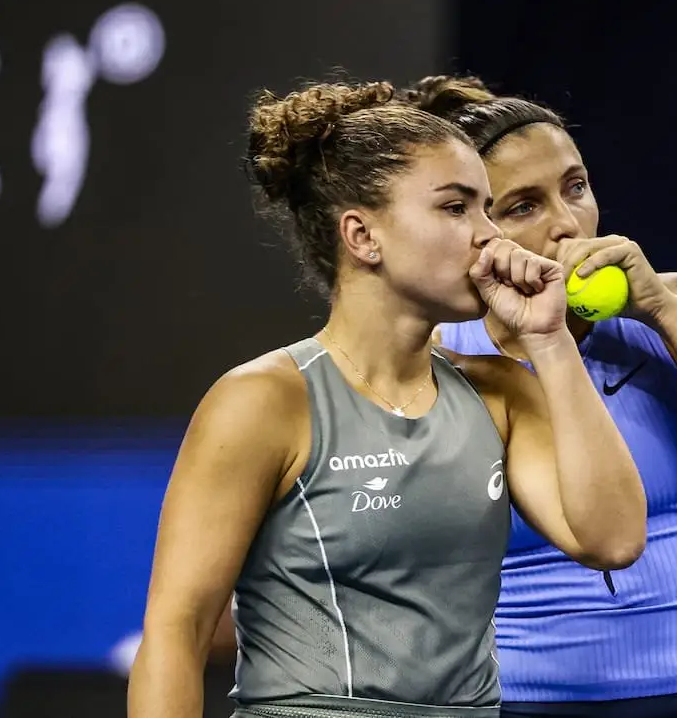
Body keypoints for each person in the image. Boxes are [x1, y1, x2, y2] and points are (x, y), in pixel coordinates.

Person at [127, 80, 648, 718]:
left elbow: (614, 540)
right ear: (362, 236)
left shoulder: (502, 391)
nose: (490, 236)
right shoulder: (264, 401)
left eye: (488, 210)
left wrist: (550, 340)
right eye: (456, 208)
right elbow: (175, 636)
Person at [409, 76, 677, 718]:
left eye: (575, 188)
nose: (566, 223)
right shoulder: (439, 357)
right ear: (472, 228)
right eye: (524, 207)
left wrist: (663, 311)